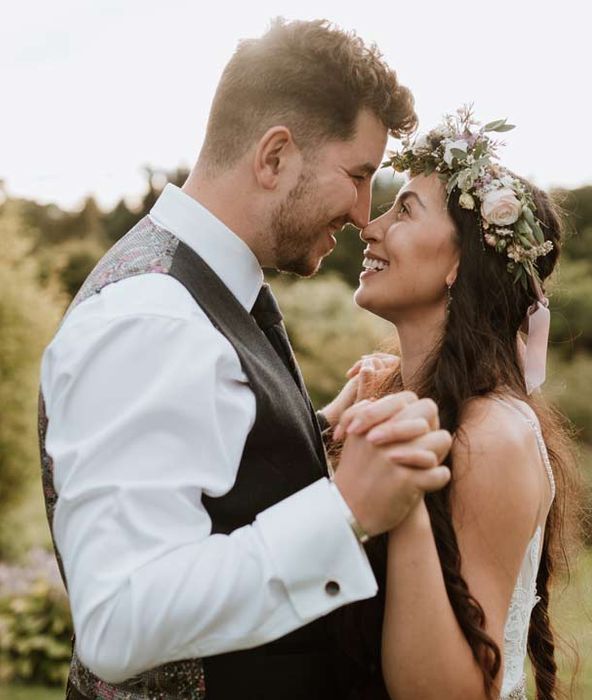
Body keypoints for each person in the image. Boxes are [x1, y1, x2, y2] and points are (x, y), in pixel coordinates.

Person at [37, 19, 453, 699]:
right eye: (357, 175)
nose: (361, 213)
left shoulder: (208, 288)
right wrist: (346, 508)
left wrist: (314, 435)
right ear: (274, 157)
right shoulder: (150, 317)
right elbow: (116, 620)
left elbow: (203, 476)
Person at [332, 108, 582, 699]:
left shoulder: (491, 436)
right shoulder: (396, 397)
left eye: (405, 210)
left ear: (458, 262)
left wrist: (405, 494)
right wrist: (331, 428)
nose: (369, 225)